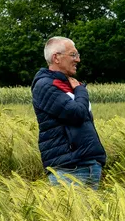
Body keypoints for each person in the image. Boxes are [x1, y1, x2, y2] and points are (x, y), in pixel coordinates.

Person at [32, 36, 106, 188]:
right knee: (69, 212)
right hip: (69, 169)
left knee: (90, 213)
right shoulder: (45, 85)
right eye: (73, 55)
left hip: (89, 165)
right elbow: (76, 114)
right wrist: (81, 90)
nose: (78, 60)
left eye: (77, 55)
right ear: (56, 58)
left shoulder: (67, 85)